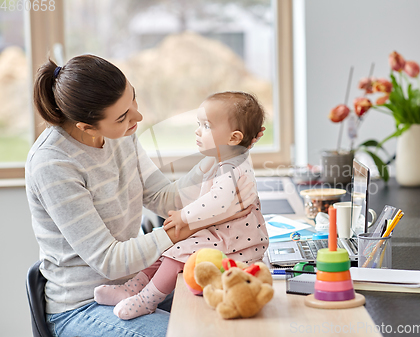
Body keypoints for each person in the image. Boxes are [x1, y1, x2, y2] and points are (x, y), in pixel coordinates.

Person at [26, 54, 263, 337]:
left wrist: (222, 157)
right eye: (123, 116)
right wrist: (179, 230)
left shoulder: (120, 134)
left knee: (248, 319)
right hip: (81, 306)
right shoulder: (53, 165)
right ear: (86, 127)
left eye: (133, 100)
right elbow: (110, 261)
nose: (137, 117)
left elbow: (164, 197)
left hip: (134, 283)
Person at [94, 91, 269, 320]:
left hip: (234, 240)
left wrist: (184, 216)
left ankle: (148, 299)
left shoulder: (232, 169)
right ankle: (131, 288)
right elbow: (195, 188)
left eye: (206, 126)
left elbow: (215, 202)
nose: (197, 131)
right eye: (199, 124)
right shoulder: (226, 158)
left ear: (234, 138)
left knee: (176, 255)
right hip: (220, 231)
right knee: (163, 247)